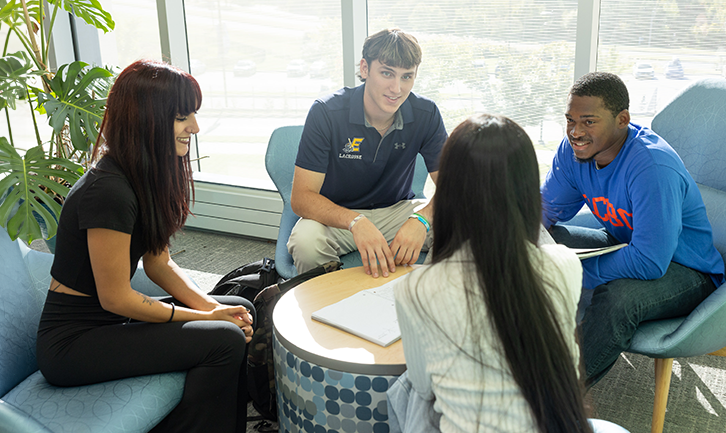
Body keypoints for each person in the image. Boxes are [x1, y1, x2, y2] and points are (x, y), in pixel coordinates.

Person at [36, 60, 254, 433]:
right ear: (148, 121)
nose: (195, 128)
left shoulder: (144, 173)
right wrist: (206, 319)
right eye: (182, 117)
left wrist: (215, 308)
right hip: (73, 342)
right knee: (223, 339)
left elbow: (159, 265)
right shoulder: (109, 190)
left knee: (238, 309)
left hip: (110, 324)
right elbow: (116, 299)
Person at [393, 114, 591, 432]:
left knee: (408, 393)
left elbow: (422, 384)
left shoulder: (417, 286)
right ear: (527, 192)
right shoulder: (564, 263)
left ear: (449, 196)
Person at [541, 72, 725, 386]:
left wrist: (571, 270)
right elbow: (543, 213)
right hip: (624, 244)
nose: (575, 131)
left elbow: (650, 262)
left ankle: (555, 399)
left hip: (688, 271)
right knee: (544, 244)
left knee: (619, 298)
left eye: (589, 121)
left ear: (622, 119)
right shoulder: (574, 153)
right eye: (570, 120)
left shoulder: (652, 167)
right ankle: (516, 359)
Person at [288, 28, 447, 278]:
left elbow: (455, 186)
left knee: (462, 223)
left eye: (407, 77)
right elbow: (301, 198)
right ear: (365, 69)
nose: (396, 88)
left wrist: (423, 220)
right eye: (387, 73)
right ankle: (328, 307)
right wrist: (356, 222)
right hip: (339, 217)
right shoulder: (326, 112)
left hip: (398, 210)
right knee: (306, 242)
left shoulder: (426, 113)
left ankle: (424, 300)